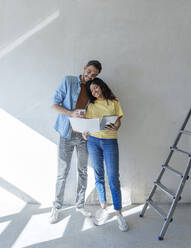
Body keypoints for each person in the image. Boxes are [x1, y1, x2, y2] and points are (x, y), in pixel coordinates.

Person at [49, 60, 102, 224]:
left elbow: (92, 112)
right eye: (89, 72)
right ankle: (56, 207)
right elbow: (54, 105)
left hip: (82, 136)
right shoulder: (68, 81)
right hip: (66, 134)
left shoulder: (91, 89)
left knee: (83, 171)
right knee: (62, 173)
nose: (90, 76)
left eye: (94, 75)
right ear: (84, 68)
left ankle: (80, 205)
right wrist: (71, 113)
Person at [82, 77, 128, 232]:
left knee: (113, 177)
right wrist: (85, 133)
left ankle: (119, 213)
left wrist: (117, 127)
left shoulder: (113, 102)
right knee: (98, 175)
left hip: (109, 142)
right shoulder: (91, 105)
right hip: (93, 141)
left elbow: (118, 121)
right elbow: (87, 125)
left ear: (101, 86)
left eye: (96, 88)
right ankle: (103, 207)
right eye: (92, 91)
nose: (94, 92)